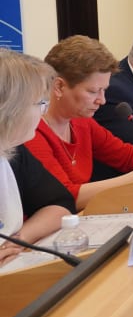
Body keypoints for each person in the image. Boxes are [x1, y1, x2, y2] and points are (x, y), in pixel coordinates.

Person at [23, 36, 133, 210]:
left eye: (104, 90)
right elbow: (64, 196)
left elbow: (127, 156)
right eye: (93, 91)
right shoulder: (31, 132)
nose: (102, 100)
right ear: (59, 87)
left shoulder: (82, 121)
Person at [0, 49, 75, 265]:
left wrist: (18, 240)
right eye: (40, 103)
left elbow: (60, 204)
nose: (43, 112)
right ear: (11, 109)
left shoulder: (13, 150)